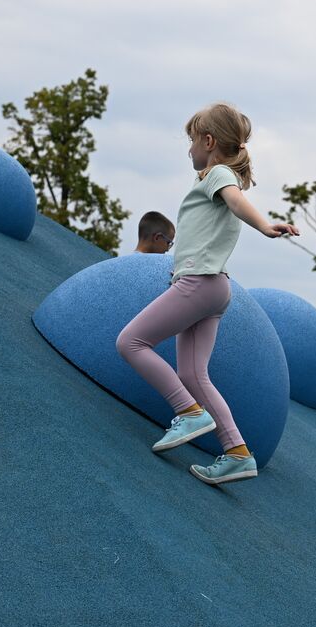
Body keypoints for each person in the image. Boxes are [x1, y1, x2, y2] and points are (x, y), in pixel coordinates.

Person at [115, 103, 300, 486]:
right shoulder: (215, 177)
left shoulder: (217, 174)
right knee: (193, 373)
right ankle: (236, 453)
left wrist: (265, 226)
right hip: (216, 288)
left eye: (191, 141)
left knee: (131, 342)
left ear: (208, 141)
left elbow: (235, 200)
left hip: (199, 283)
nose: (189, 150)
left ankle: (188, 412)